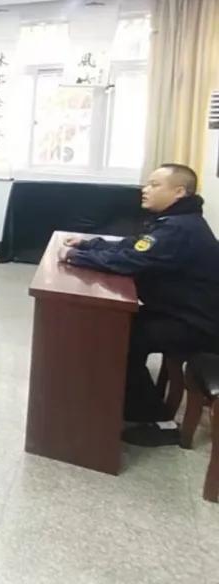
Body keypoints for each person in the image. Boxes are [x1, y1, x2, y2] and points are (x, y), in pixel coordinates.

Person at [59, 164, 219, 446]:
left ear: (179, 191)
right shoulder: (175, 221)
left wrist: (75, 256)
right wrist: (89, 244)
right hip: (178, 311)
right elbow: (135, 246)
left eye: (155, 185)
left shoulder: (179, 228)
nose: (145, 190)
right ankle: (120, 398)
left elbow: (131, 261)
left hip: (195, 323)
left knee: (121, 337)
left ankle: (158, 422)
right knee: (115, 327)